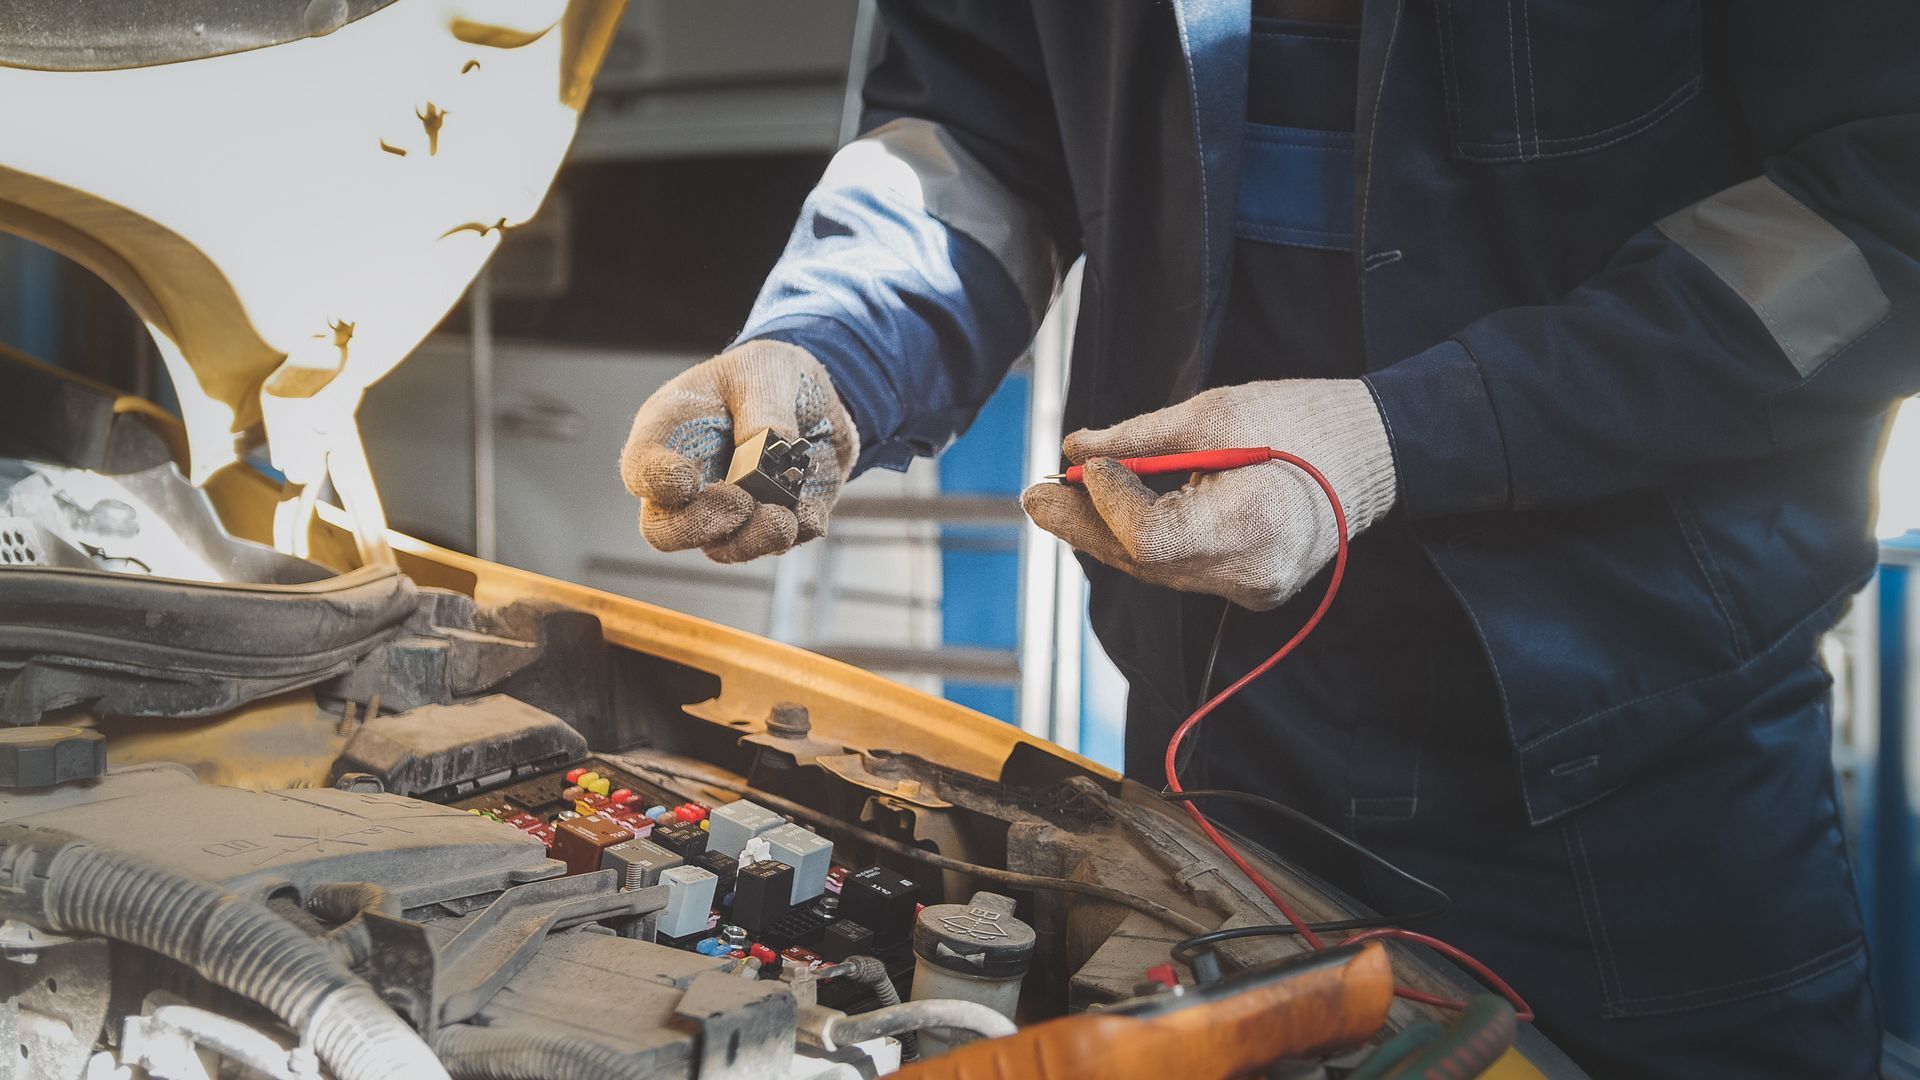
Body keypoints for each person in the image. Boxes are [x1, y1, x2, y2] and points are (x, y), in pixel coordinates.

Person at [619, 2, 1918, 1074]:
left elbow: (1880, 213)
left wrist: (1401, 437)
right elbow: (975, 135)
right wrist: (834, 348)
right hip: (1210, 761)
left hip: (1634, 800)